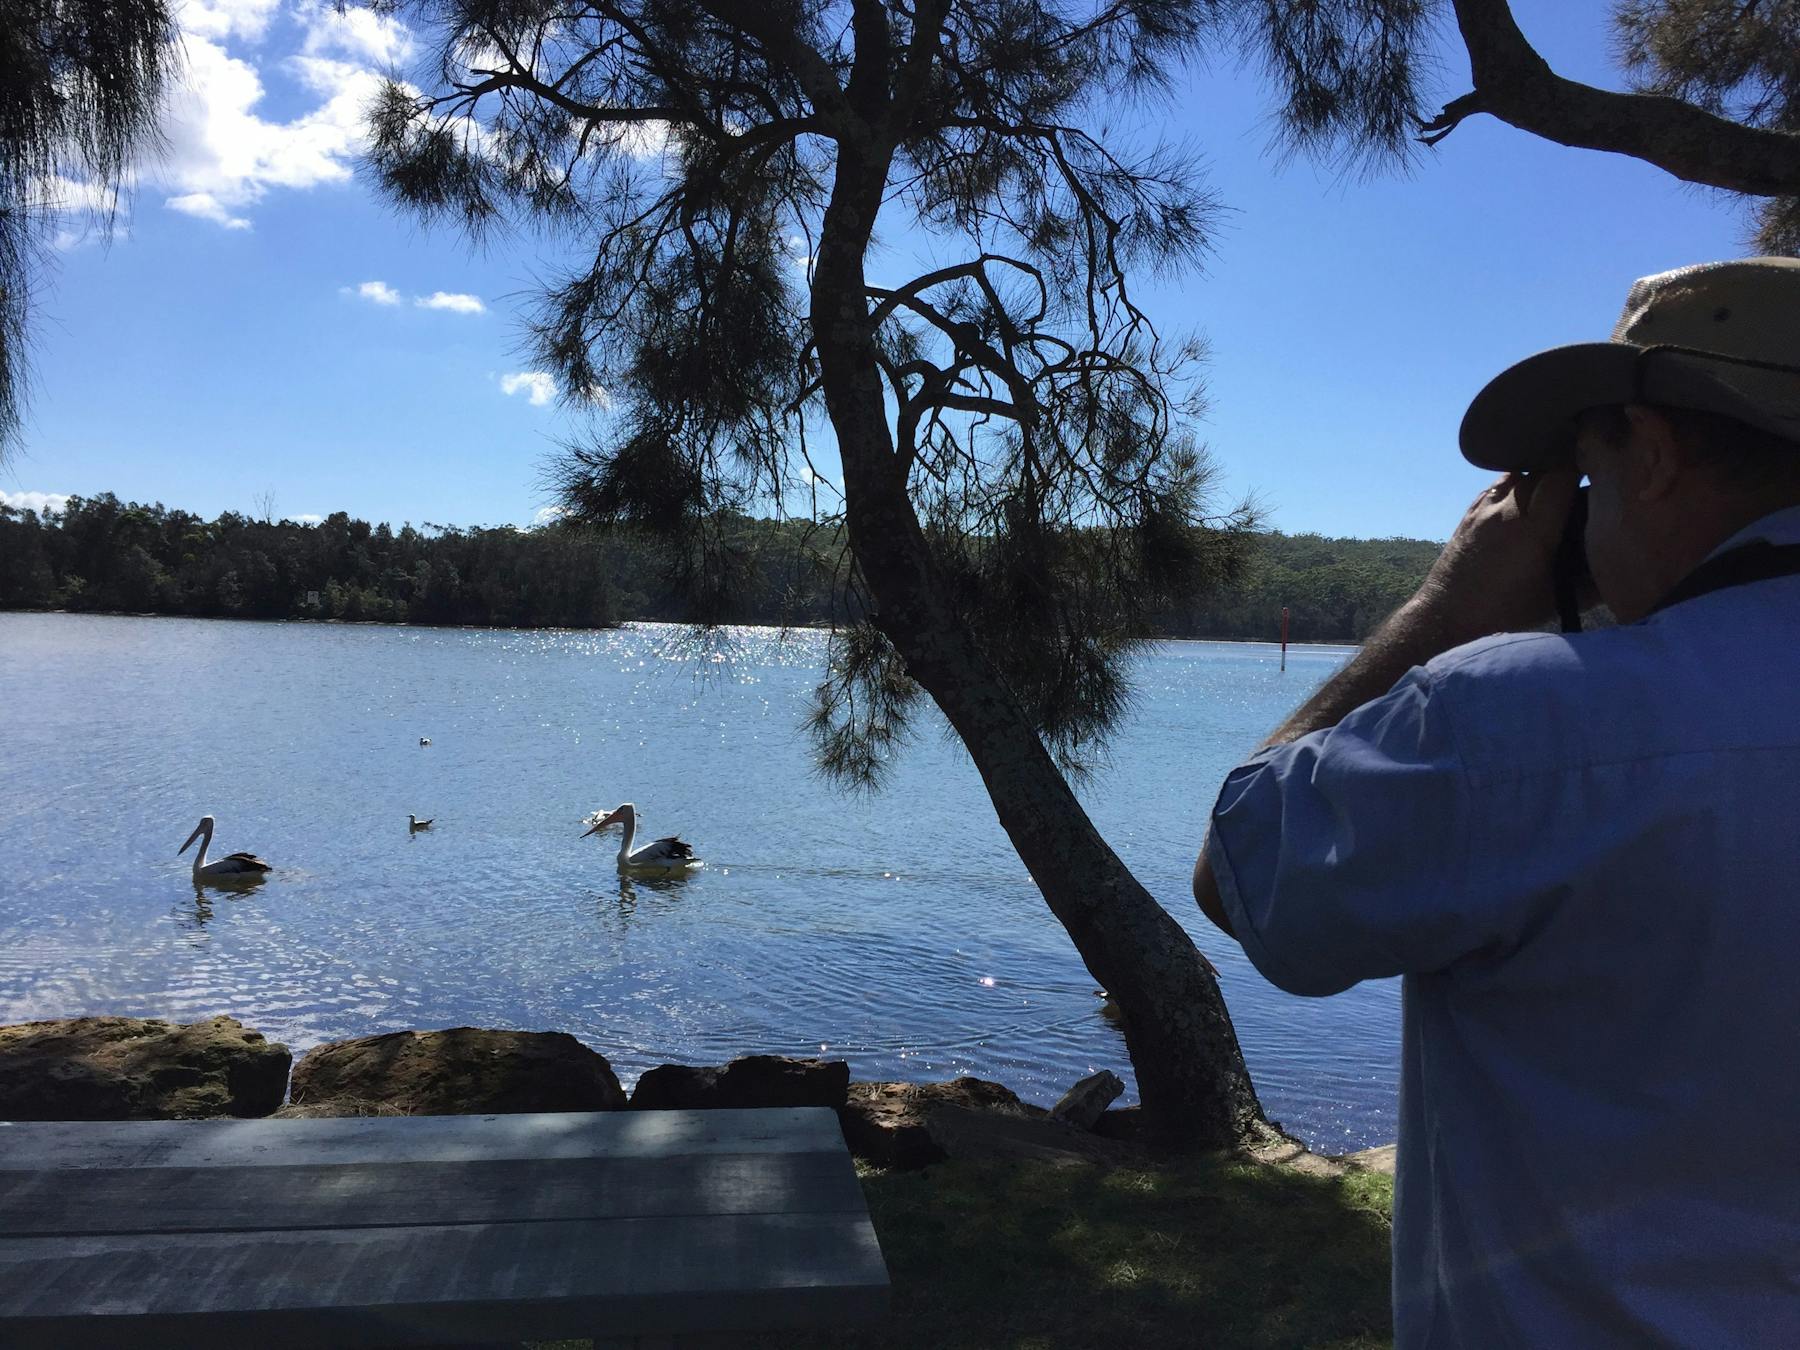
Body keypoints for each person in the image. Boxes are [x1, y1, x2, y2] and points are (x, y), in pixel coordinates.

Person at [1193, 257, 1800, 1347]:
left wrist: (1450, 604)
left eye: (1581, 471)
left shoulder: (1526, 727)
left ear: (1652, 457)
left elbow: (1246, 873)